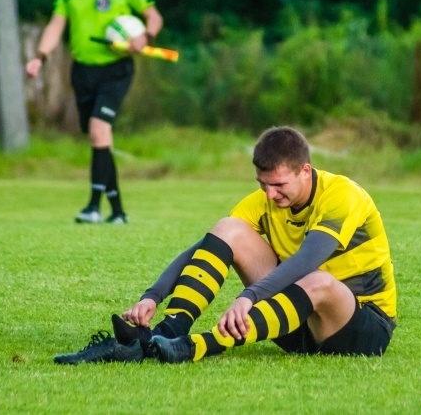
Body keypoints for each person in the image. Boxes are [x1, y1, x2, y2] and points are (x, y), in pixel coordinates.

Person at [54, 126, 397, 364]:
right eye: (262, 184)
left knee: (320, 280)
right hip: (292, 321)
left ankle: (196, 347)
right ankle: (164, 334)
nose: (270, 194)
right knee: (228, 227)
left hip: (361, 328)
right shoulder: (266, 200)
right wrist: (153, 295)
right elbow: (208, 245)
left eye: (278, 184)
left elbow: (309, 260)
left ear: (305, 170)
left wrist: (249, 296)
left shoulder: (342, 195)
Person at [26, 0, 164, 224]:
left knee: (100, 129)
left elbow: (153, 17)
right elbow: (57, 23)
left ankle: (92, 207)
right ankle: (117, 212)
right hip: (82, 71)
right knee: (100, 138)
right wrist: (40, 56)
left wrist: (144, 37)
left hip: (116, 70)